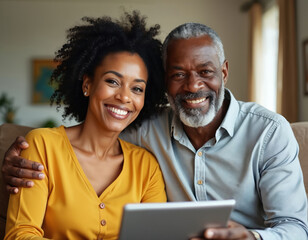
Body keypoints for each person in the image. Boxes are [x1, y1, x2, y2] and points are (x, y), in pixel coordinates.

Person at [2, 22, 308, 240]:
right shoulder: (142, 130)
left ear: (224, 71)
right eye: (178, 75)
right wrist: (13, 158)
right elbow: (90, 137)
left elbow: (295, 227)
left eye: (205, 72)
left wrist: (252, 238)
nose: (193, 86)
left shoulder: (268, 133)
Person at [3, 11, 167, 240]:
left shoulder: (146, 168)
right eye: (112, 81)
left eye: (137, 88)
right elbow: (20, 235)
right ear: (87, 84)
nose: (124, 97)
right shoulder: (42, 146)